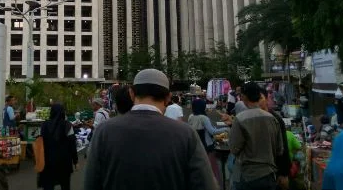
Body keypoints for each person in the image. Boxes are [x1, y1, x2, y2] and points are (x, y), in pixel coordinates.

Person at [84, 68, 218, 190]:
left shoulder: (104, 131)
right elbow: (205, 184)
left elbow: (91, 183)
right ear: (168, 98)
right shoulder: (186, 134)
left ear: (131, 93)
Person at [229, 82, 283, 190]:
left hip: (248, 176)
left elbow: (234, 149)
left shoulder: (240, 119)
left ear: (243, 96)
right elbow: (279, 150)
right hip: (269, 174)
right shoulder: (272, 118)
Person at [188, 98, 230, 184]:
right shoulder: (203, 118)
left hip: (196, 144)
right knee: (212, 167)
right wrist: (226, 128)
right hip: (207, 145)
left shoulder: (191, 116)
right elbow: (212, 131)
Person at [38, 103, 78, 190]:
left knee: (48, 185)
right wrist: (75, 161)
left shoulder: (44, 125)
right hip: (64, 161)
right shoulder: (67, 125)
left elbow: (41, 142)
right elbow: (72, 144)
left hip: (48, 160)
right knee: (65, 185)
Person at [260, 87, 291, 190]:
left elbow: (283, 146)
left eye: (259, 98)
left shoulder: (275, 119)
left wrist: (284, 173)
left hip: (274, 169)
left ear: (266, 98)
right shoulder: (252, 118)